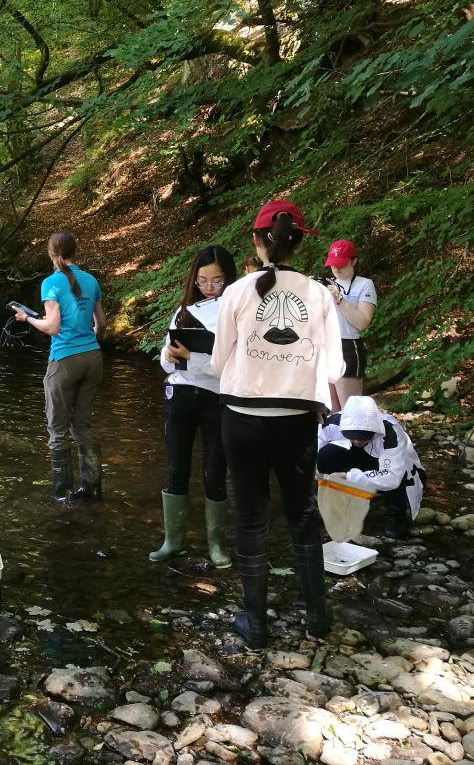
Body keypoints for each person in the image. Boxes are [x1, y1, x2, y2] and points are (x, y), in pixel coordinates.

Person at [211, 199, 344, 646]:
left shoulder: (236, 292)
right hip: (296, 420)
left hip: (241, 418)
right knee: (302, 512)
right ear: (299, 242)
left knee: (251, 517)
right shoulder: (319, 294)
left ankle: (255, 623)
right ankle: (317, 617)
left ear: (257, 241)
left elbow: (217, 363)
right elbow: (336, 370)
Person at [151, 245, 238, 568]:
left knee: (215, 469)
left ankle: (216, 544)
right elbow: (167, 363)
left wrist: (193, 358)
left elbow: (232, 367)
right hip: (181, 395)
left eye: (217, 281)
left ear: (229, 278)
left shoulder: (235, 313)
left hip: (216, 397)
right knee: (176, 468)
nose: (209, 288)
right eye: (202, 281)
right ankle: (173, 540)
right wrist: (170, 355)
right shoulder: (183, 311)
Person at [14, 231, 106, 501]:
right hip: (93, 358)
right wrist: (91, 339)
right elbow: (102, 324)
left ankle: (62, 496)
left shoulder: (51, 283)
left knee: (58, 431)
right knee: (82, 425)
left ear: (51, 254)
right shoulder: (91, 280)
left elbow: (52, 327)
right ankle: (92, 490)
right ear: (75, 252)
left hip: (64, 360)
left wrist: (27, 319)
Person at [317, 395, 424, 539]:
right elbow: (312, 451)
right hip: (359, 459)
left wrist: (348, 477)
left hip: (396, 471)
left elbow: (392, 477)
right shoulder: (332, 423)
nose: (357, 440)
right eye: (352, 435)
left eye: (363, 436)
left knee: (400, 473)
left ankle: (395, 515)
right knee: (327, 454)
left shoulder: (391, 432)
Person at [322, 239, 377, 411]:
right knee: (330, 412)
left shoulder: (364, 284)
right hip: (325, 346)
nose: (337, 268)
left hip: (348, 346)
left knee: (350, 411)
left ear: (354, 261)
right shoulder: (325, 284)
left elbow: (362, 322)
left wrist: (339, 299)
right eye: (333, 264)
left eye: (342, 264)